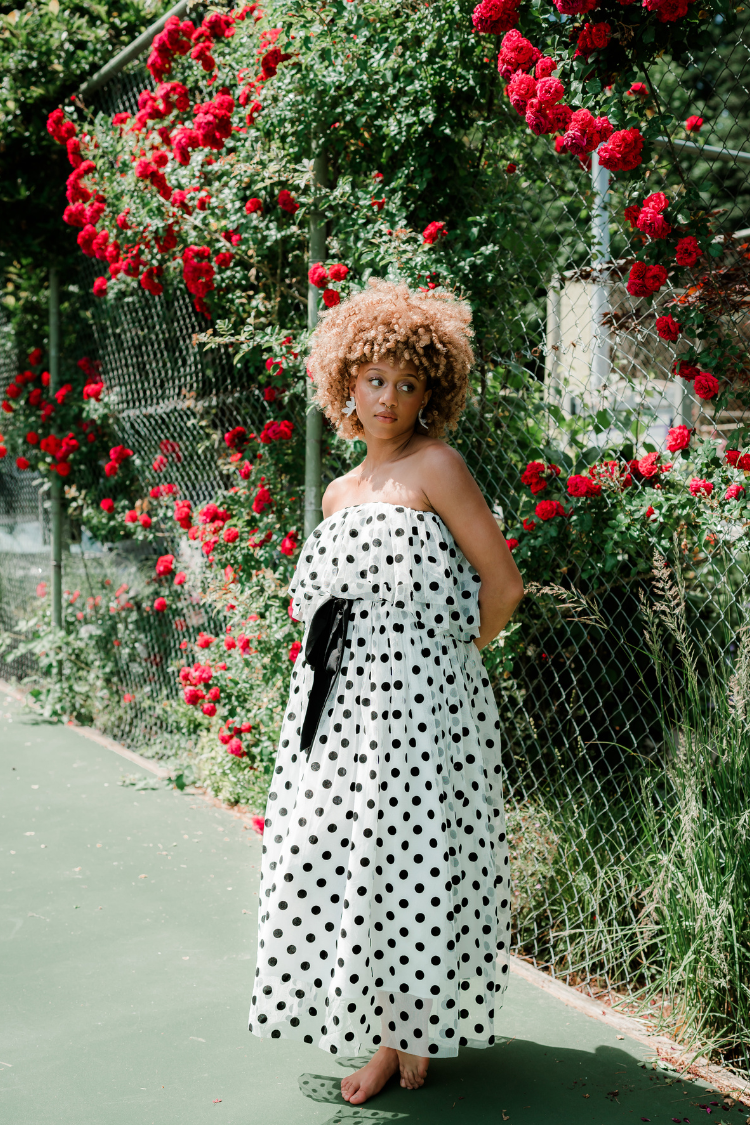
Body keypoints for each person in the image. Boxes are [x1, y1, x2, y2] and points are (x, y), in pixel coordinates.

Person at [249, 280, 524, 1105]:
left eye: (408, 383)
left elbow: (503, 585)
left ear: (431, 392)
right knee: (346, 856)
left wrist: (446, 664)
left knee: (411, 858)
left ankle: (405, 1035)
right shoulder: (340, 491)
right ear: (346, 381)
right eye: (374, 379)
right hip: (338, 709)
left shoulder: (436, 466)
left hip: (419, 708)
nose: (389, 399)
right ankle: (383, 1025)